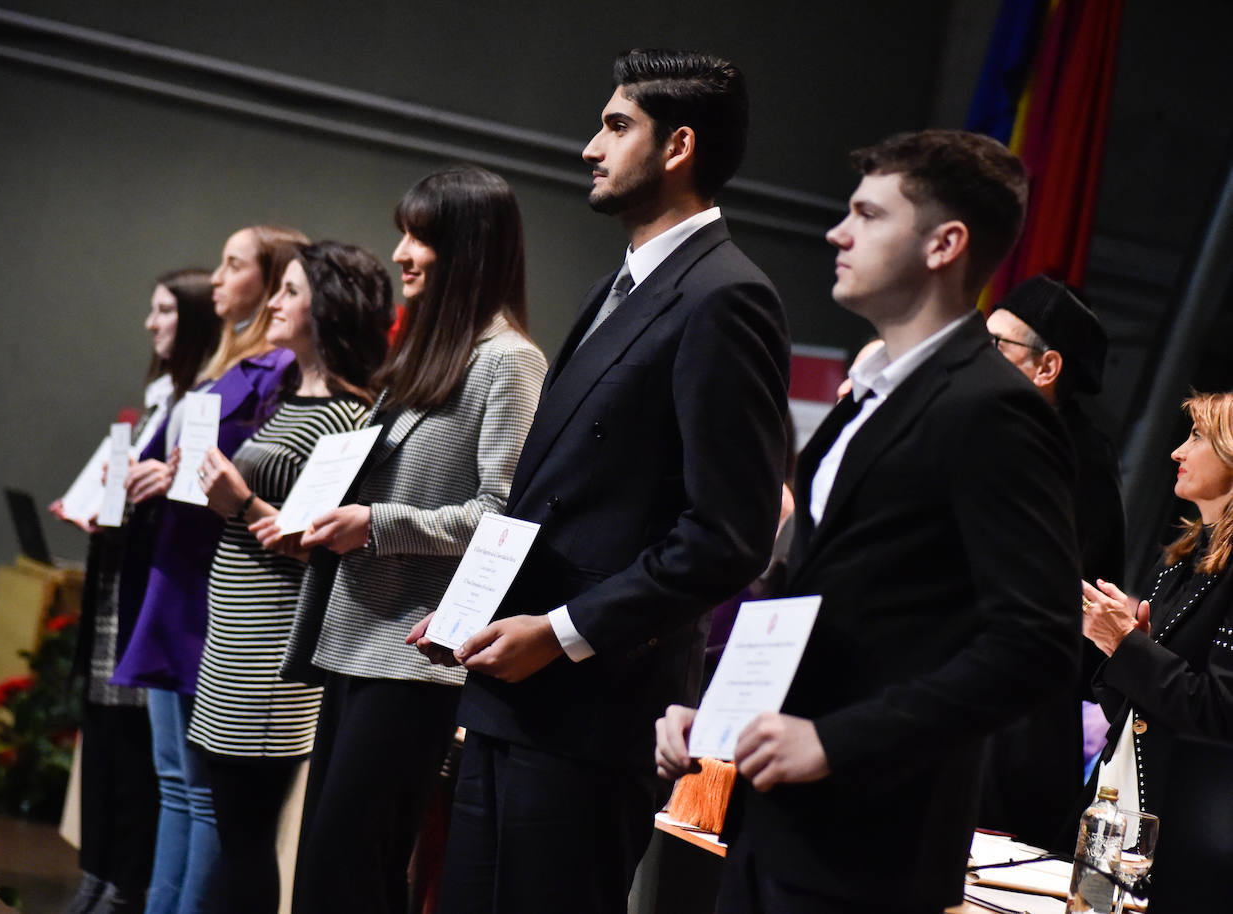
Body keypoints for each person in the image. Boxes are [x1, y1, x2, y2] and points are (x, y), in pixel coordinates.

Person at [656, 128, 1081, 913]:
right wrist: (717, 714)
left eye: (867, 214)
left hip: (873, 847)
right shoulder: (871, 396)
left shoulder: (995, 410)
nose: (837, 232)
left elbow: (1038, 642)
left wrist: (833, 742)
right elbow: (803, 594)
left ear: (944, 244)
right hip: (772, 823)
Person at [413, 50, 790, 914]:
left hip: (592, 715)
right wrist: (477, 604)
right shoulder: (620, 283)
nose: (591, 146)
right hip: (521, 701)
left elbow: (727, 536)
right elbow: (565, 494)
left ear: (678, 146)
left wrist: (563, 631)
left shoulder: (726, 296)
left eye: (617, 126)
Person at [276, 165, 547, 914]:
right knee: (333, 871)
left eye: (420, 236)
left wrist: (377, 525)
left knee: (352, 867)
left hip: (414, 655)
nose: (400, 252)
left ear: (470, 250)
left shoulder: (510, 362)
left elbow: (502, 513)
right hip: (357, 638)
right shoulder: (425, 356)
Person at [184, 241, 393, 913]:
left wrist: (240, 502)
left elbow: (316, 544)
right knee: (229, 828)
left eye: (292, 292)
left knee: (246, 837)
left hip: (272, 645)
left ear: (329, 309)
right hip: (233, 634)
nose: (274, 301)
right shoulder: (291, 397)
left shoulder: (349, 413)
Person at [112, 224, 308, 914]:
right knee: (175, 783)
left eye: (234, 266)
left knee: (202, 795)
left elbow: (243, 476)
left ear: (274, 280)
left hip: (213, 585)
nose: (217, 280)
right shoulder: (223, 367)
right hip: (178, 571)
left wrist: (180, 477)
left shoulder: (277, 372)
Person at [53, 268, 220, 914]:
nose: (151, 324)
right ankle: (100, 872)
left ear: (195, 317)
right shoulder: (163, 396)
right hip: (118, 573)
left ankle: (124, 880)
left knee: (144, 756)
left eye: (164, 311)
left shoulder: (196, 399)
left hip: (152, 585)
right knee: (104, 734)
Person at [978, 274, 1127, 847]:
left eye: (996, 346)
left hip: (1011, 724)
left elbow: (1058, 600)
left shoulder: (1078, 462)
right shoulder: (997, 432)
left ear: (1048, 368)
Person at [1084, 391, 1233, 821]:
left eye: (1197, 437)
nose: (1177, 451)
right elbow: (1133, 714)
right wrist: (1117, 646)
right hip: (1119, 798)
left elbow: (1221, 715)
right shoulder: (1179, 561)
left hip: (1184, 821)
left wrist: (1130, 646)